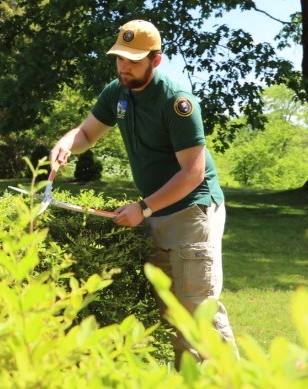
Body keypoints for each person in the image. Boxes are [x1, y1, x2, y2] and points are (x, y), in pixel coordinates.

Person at [49, 19, 237, 363]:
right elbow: (87, 134)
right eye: (120, 58)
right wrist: (66, 143)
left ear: (156, 60)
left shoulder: (177, 102)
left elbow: (193, 173)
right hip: (155, 210)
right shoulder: (116, 92)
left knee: (197, 309)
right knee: (170, 311)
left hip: (192, 211)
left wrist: (144, 209)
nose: (125, 67)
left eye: (134, 61)